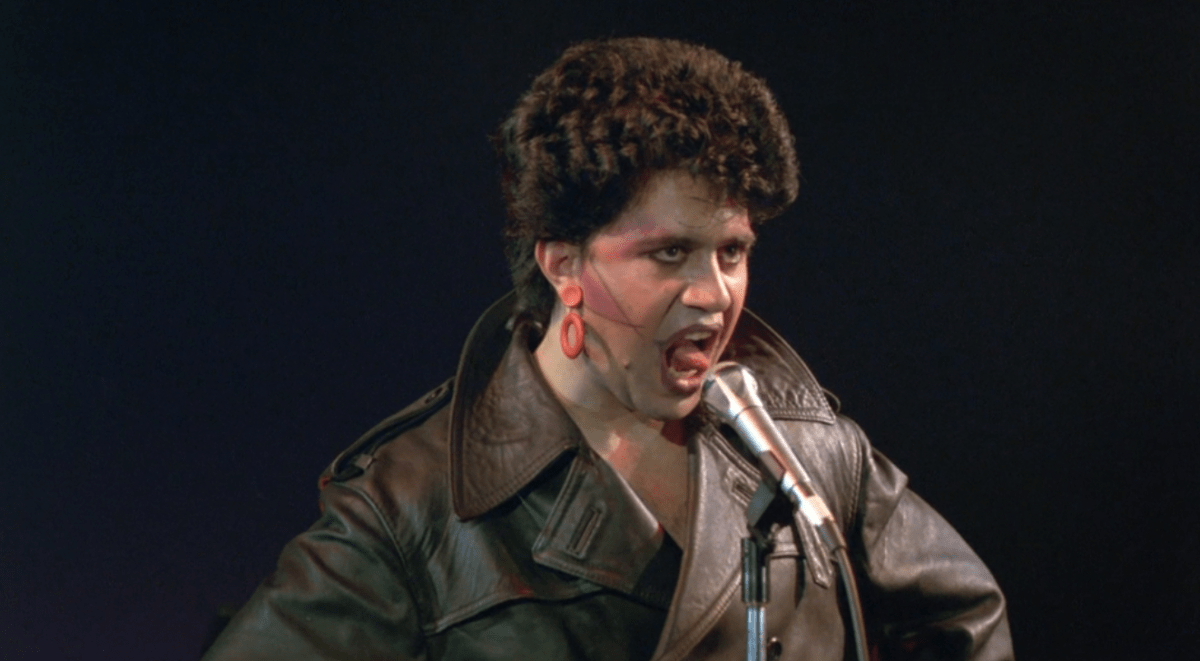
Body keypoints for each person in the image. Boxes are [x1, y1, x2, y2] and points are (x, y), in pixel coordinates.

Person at [202, 37, 1013, 661]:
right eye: (670, 253)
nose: (714, 292)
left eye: (732, 251)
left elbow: (967, 620)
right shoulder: (418, 506)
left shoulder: (805, 446)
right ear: (563, 265)